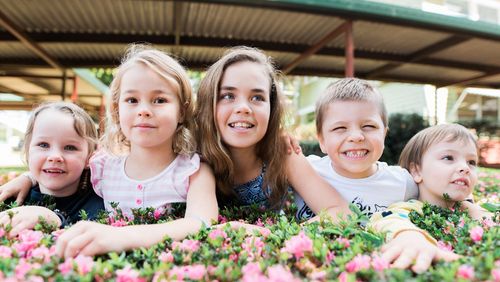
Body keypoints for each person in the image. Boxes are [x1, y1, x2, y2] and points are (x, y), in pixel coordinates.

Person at [0, 45, 218, 257]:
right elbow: (60, 167)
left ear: (182, 110)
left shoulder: (195, 170)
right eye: (132, 100)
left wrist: (121, 236)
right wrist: (27, 178)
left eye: (159, 100)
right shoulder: (101, 167)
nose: (143, 111)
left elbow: (200, 223)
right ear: (116, 109)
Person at [195, 46, 349, 230]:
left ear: (272, 108)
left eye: (257, 97)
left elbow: (340, 212)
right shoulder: (191, 158)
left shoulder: (283, 153)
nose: (243, 107)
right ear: (208, 103)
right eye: (228, 96)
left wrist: (278, 236)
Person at [369, 124, 491, 272]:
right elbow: (389, 220)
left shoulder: (471, 210)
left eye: (471, 162)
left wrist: (482, 215)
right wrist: (409, 236)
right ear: (417, 170)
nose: (464, 167)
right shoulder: (411, 209)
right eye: (448, 158)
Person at [294, 78, 418, 221]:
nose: (356, 136)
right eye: (340, 128)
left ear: (384, 133)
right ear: (322, 140)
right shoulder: (304, 171)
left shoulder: (403, 184)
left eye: (369, 126)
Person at [0, 102, 104, 237]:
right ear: (27, 151)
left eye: (70, 147)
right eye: (43, 145)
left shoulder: (99, 203)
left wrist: (53, 218)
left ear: (89, 157)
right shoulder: (12, 197)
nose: (54, 157)